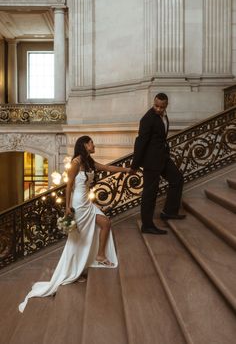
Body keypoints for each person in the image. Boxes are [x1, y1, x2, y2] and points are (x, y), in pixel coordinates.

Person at [19, 135, 130, 313]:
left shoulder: (89, 161)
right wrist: (67, 207)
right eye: (91, 142)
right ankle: (73, 271)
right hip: (79, 205)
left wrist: (125, 170)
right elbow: (68, 186)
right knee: (77, 240)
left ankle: (99, 256)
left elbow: (107, 167)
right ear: (85, 145)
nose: (94, 144)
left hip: (88, 204)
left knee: (105, 224)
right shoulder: (77, 162)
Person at [131, 93, 185, 235]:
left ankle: (169, 211)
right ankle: (147, 225)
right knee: (150, 193)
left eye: (162, 107)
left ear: (166, 105)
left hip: (162, 157)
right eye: (156, 106)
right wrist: (135, 165)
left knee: (177, 179)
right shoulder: (147, 119)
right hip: (151, 161)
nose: (159, 109)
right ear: (153, 103)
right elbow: (141, 142)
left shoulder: (164, 115)